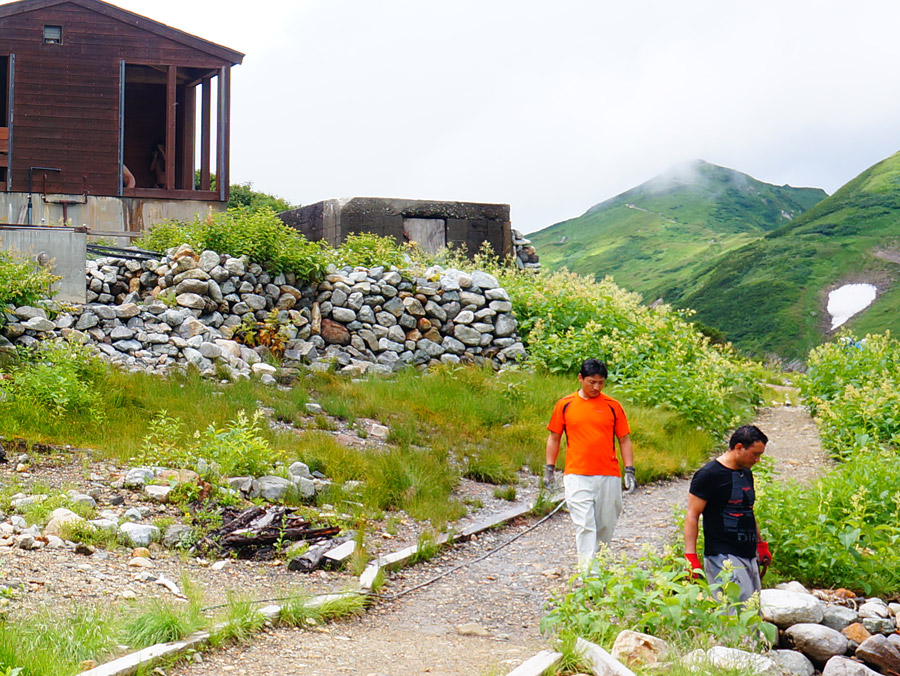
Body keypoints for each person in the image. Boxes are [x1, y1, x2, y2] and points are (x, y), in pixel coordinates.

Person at [545, 358, 636, 569]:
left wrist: (629, 470)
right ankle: (589, 577)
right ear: (580, 379)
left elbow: (624, 439)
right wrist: (549, 470)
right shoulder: (565, 404)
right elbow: (554, 437)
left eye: (601, 383)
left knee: (605, 524)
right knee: (585, 523)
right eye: (591, 382)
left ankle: (599, 566)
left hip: (609, 474)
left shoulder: (613, 406)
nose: (596, 387)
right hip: (576, 473)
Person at [683, 424, 773, 602]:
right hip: (723, 555)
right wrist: (690, 558)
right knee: (734, 612)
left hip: (748, 552)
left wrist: (760, 544)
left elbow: (747, 510)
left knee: (752, 610)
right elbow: (692, 516)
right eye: (755, 454)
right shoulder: (708, 475)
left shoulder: (745, 473)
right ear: (739, 448)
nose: (758, 460)